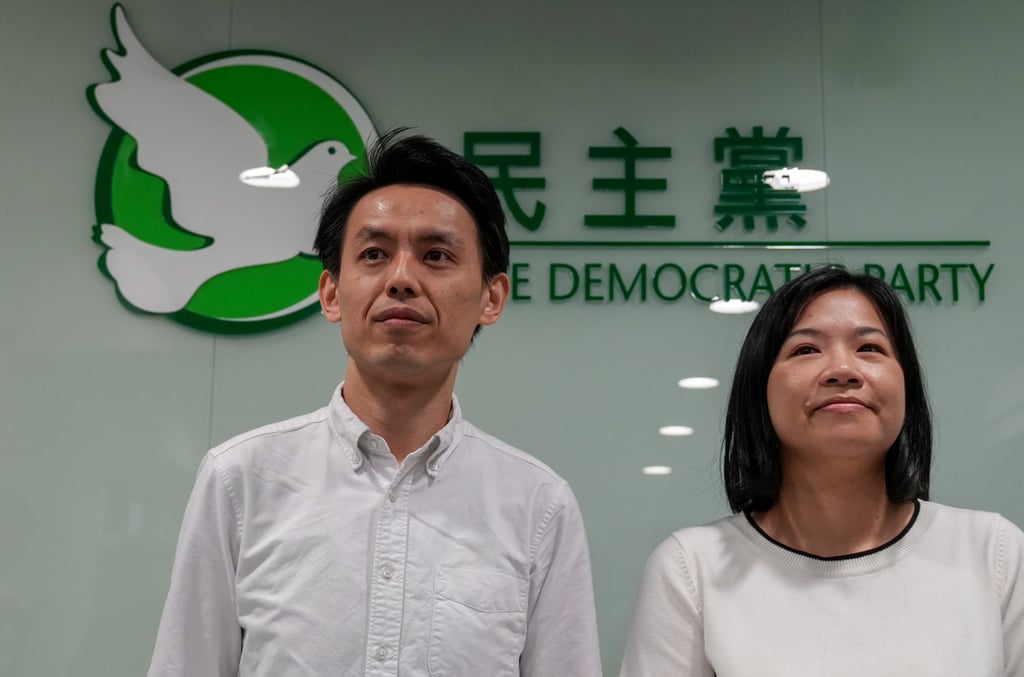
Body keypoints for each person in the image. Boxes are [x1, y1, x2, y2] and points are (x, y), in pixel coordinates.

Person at [148, 131, 602, 676]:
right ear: (332, 293)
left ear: (492, 297)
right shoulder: (240, 480)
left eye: (436, 255)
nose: (402, 279)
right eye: (373, 254)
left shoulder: (538, 505)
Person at [619, 267, 1023, 677]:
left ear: (907, 387)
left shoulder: (995, 554)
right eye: (806, 350)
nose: (843, 370)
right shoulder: (693, 568)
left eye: (870, 348)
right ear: (759, 390)